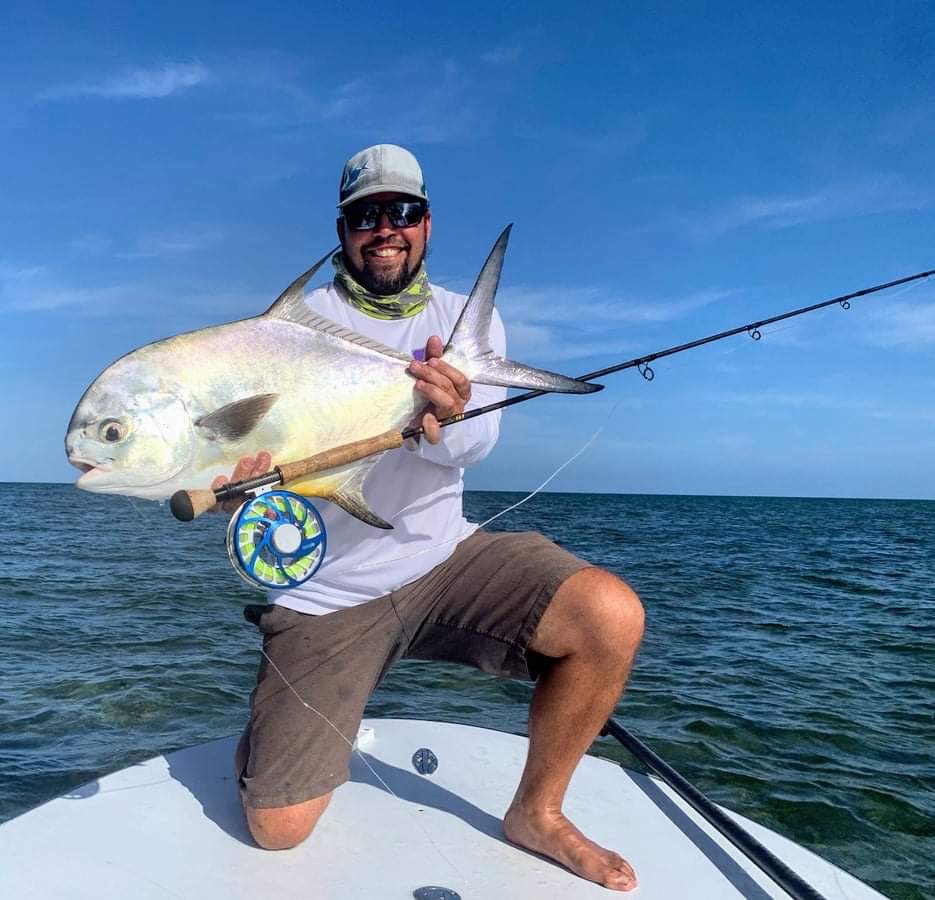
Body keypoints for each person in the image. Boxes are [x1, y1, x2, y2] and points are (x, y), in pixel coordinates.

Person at [220, 144, 645, 892]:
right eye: (365, 216)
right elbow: (254, 454)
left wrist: (450, 416)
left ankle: (537, 812)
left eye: (402, 211)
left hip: (443, 559)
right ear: (343, 229)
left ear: (425, 222)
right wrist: (240, 484)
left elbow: (477, 447)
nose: (384, 228)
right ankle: (271, 735)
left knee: (608, 615)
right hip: (328, 592)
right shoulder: (295, 326)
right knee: (278, 831)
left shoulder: (462, 320)